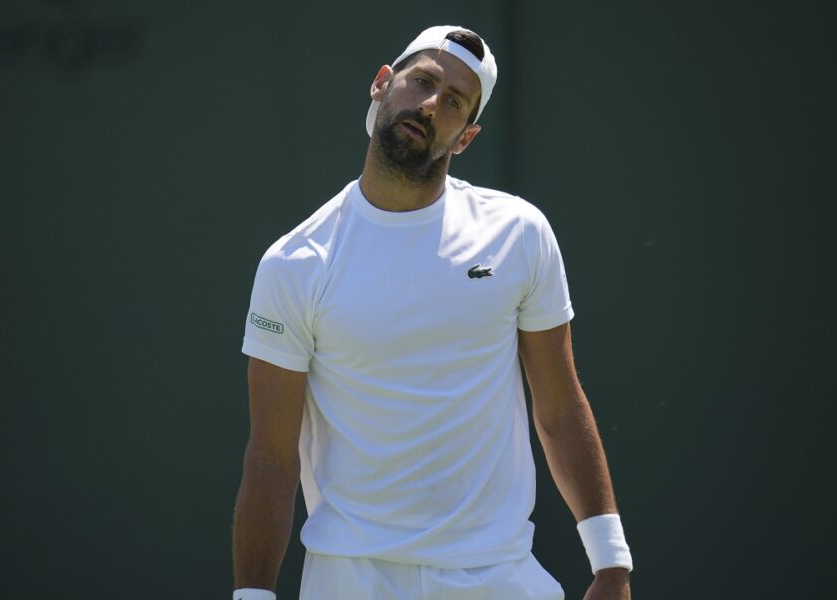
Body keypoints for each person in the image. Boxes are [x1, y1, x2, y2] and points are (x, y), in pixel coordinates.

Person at [232, 25, 633, 600]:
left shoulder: (520, 234)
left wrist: (611, 562)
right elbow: (271, 455)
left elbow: (560, 408)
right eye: (422, 81)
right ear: (381, 84)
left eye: (453, 102)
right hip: (351, 578)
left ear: (466, 136)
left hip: (499, 574)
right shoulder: (293, 264)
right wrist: (252, 595)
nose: (429, 104)